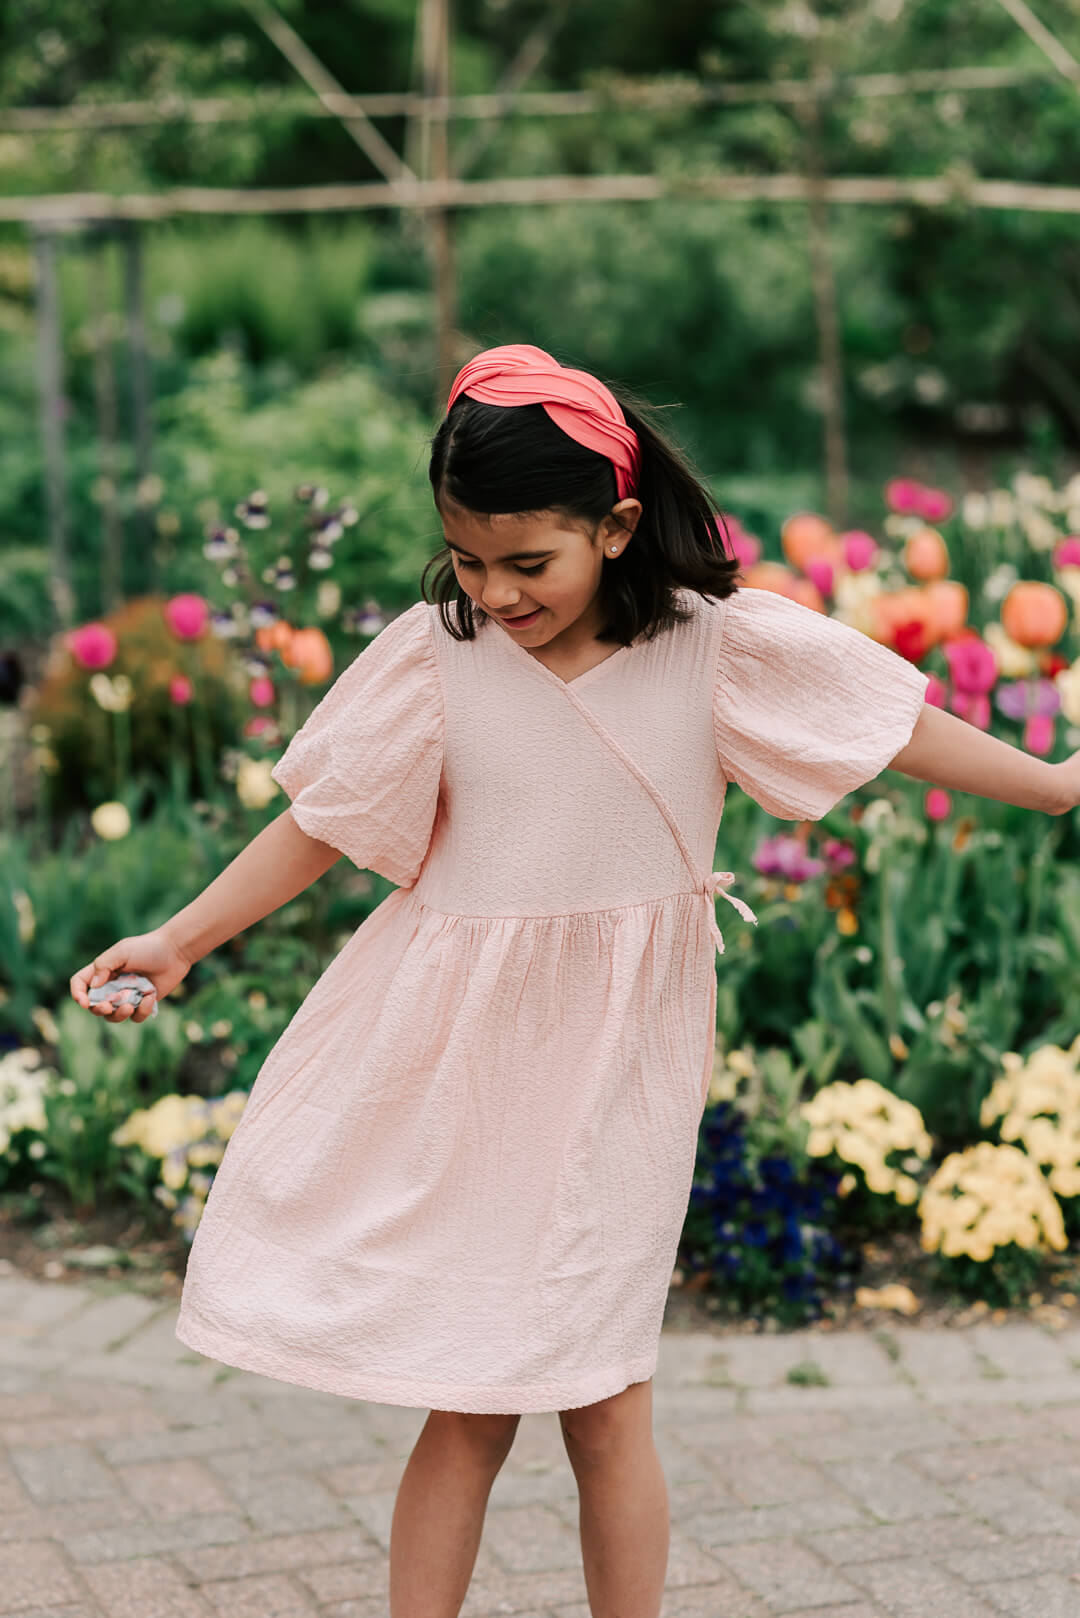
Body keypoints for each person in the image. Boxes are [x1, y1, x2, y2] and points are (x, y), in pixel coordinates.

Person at [71, 343, 1076, 1618]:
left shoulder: (717, 651)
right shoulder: (436, 656)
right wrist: (180, 937)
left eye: (526, 562)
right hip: (460, 1058)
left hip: (617, 1067)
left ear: (614, 524)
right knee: (474, 1396)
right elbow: (322, 820)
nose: (494, 590)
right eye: (468, 560)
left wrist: (1054, 780)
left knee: (606, 1399)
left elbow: (889, 730)